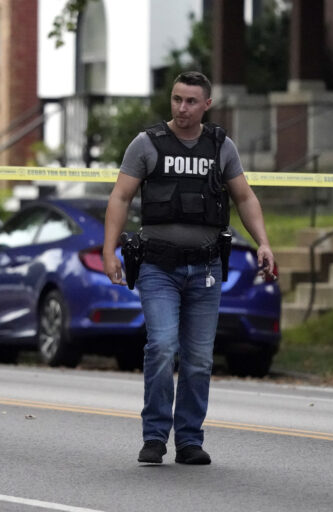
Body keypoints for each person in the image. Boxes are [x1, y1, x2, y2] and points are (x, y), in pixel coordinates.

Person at [102, 71, 276, 465]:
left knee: (198, 359)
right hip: (158, 268)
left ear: (207, 105)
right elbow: (120, 197)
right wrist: (109, 250)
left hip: (206, 269)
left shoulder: (221, 146)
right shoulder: (146, 144)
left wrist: (264, 242)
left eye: (191, 101)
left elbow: (245, 197)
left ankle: (190, 441)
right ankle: (154, 437)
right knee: (162, 347)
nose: (182, 108)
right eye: (177, 99)